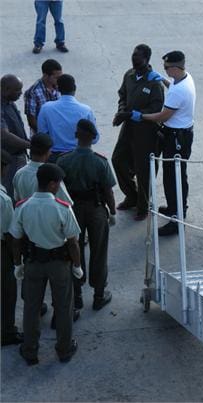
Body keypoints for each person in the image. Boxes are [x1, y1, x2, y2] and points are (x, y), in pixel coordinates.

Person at [10, 163, 81, 365]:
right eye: (58, 182)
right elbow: (73, 242)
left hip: (33, 262)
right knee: (63, 306)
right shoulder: (62, 208)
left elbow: (16, 238)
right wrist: (76, 266)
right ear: (51, 184)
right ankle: (64, 349)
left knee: (31, 307)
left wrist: (17, 264)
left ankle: (30, 350)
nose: (59, 185)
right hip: (59, 264)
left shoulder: (23, 206)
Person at [132, 51, 195, 236]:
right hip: (181, 133)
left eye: (167, 68)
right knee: (175, 175)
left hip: (177, 137)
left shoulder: (180, 90)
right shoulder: (184, 78)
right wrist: (163, 81)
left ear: (176, 67)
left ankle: (177, 218)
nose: (165, 70)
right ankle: (175, 207)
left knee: (174, 177)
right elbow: (173, 87)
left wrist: (140, 116)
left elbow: (162, 116)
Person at [57, 119, 116, 311]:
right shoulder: (100, 161)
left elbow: (58, 189)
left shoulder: (64, 160)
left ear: (76, 136)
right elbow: (108, 190)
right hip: (96, 208)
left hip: (72, 209)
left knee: (73, 251)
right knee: (99, 250)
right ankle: (99, 295)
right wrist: (112, 211)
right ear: (94, 138)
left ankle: (77, 295)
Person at [111, 44, 165, 221]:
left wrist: (131, 114)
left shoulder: (154, 82)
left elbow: (156, 109)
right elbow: (122, 95)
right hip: (128, 127)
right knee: (118, 159)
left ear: (147, 59)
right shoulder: (129, 75)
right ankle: (132, 195)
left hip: (146, 130)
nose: (134, 61)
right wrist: (121, 111)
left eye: (138, 59)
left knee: (144, 169)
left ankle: (143, 206)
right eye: (133, 57)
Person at [37, 74, 98, 162]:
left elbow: (42, 135)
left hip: (55, 158)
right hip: (79, 158)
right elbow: (95, 139)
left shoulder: (46, 108)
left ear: (58, 88)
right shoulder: (86, 110)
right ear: (75, 88)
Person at [0, 151, 22, 347]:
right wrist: (16, 259)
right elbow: (9, 233)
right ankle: (7, 331)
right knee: (7, 291)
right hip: (2, 251)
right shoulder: (4, 200)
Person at [13, 133, 72, 204]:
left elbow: (17, 200)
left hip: (26, 214)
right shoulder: (52, 174)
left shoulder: (19, 174)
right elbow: (66, 202)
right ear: (47, 152)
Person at [1, 74, 30, 198]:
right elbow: (4, 135)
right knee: (10, 195)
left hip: (18, 157)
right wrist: (30, 145)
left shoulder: (9, 102)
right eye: (18, 90)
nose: (20, 93)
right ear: (7, 89)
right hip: (9, 160)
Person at [24, 59, 63, 135]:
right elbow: (31, 119)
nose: (59, 80)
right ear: (45, 76)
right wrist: (45, 134)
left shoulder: (58, 86)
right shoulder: (33, 92)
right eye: (56, 78)